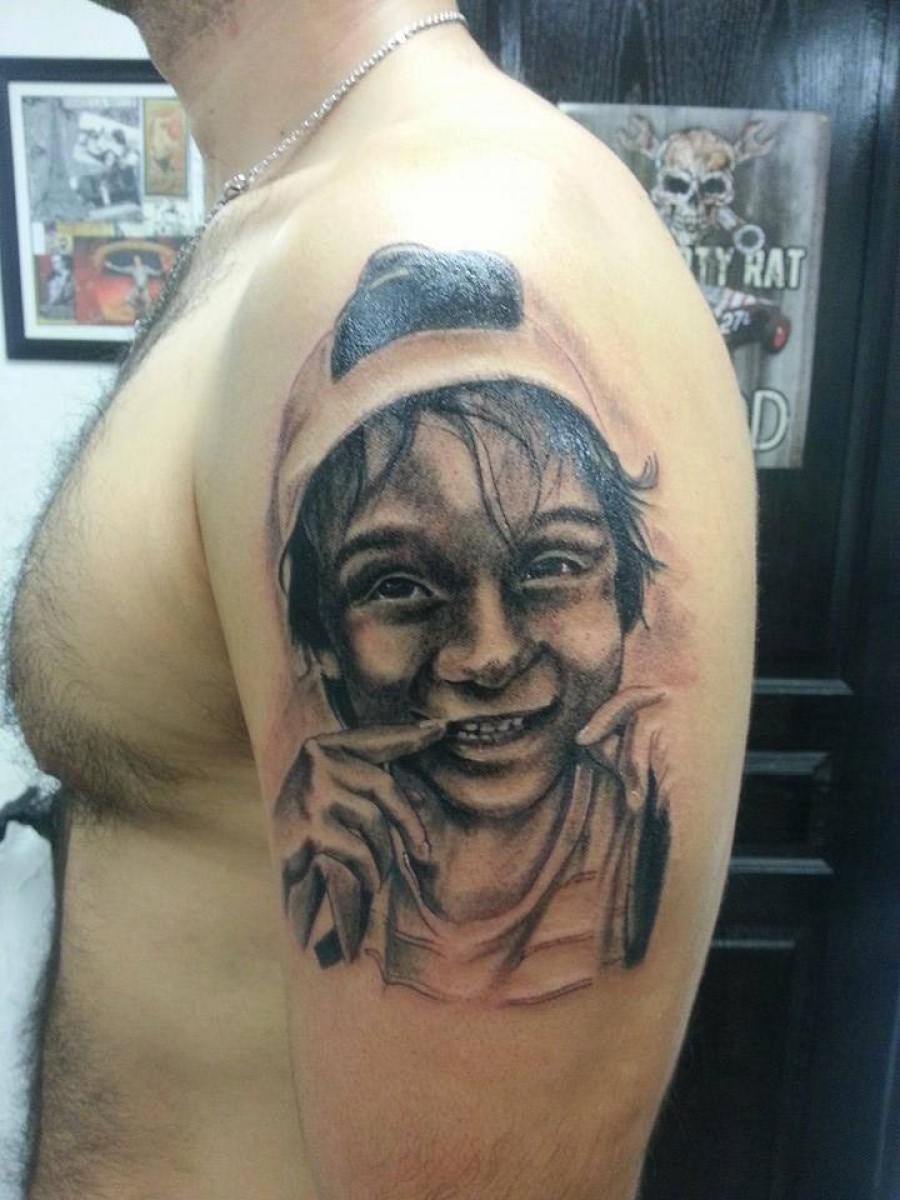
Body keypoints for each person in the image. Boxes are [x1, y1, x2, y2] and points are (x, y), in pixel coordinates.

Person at [5, 1, 756, 1197]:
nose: (489, 653)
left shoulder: (452, 205)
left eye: (551, 567)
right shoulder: (279, 212)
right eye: (401, 586)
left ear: (630, 589)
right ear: (318, 633)